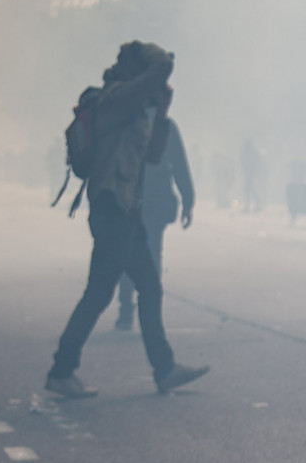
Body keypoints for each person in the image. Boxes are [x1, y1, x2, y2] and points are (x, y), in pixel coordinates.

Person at [46, 41, 209, 399]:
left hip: (125, 210)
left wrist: (163, 115)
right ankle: (62, 369)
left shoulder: (131, 107)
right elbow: (162, 68)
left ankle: (164, 370)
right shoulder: (117, 99)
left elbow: (151, 157)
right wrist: (149, 52)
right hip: (112, 210)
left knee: (148, 287)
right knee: (99, 293)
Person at [114, 118, 196, 331]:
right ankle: (149, 311)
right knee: (152, 255)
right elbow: (179, 164)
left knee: (127, 254)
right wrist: (188, 200)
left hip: (126, 199)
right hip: (154, 200)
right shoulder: (164, 126)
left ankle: (126, 309)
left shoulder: (124, 120)